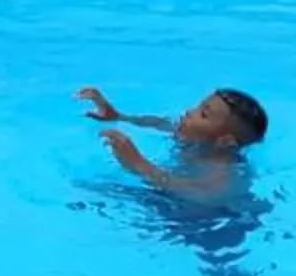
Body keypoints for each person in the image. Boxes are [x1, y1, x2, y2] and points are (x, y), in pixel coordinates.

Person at [76, 85, 267, 202]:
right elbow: (158, 123)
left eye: (203, 114)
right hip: (171, 195)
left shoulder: (222, 169)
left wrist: (140, 165)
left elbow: (206, 197)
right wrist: (118, 116)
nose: (190, 111)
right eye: (199, 105)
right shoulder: (189, 134)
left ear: (225, 141)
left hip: (208, 221)